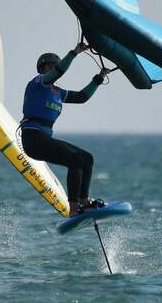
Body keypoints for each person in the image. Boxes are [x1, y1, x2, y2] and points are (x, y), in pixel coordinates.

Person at [21, 43, 108, 217]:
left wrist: (98, 78)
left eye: (55, 65)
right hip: (32, 139)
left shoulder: (57, 92)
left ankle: (84, 201)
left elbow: (82, 97)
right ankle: (74, 208)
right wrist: (74, 53)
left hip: (44, 139)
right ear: (42, 68)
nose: (53, 68)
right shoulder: (38, 83)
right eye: (50, 66)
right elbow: (59, 71)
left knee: (86, 158)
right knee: (75, 159)